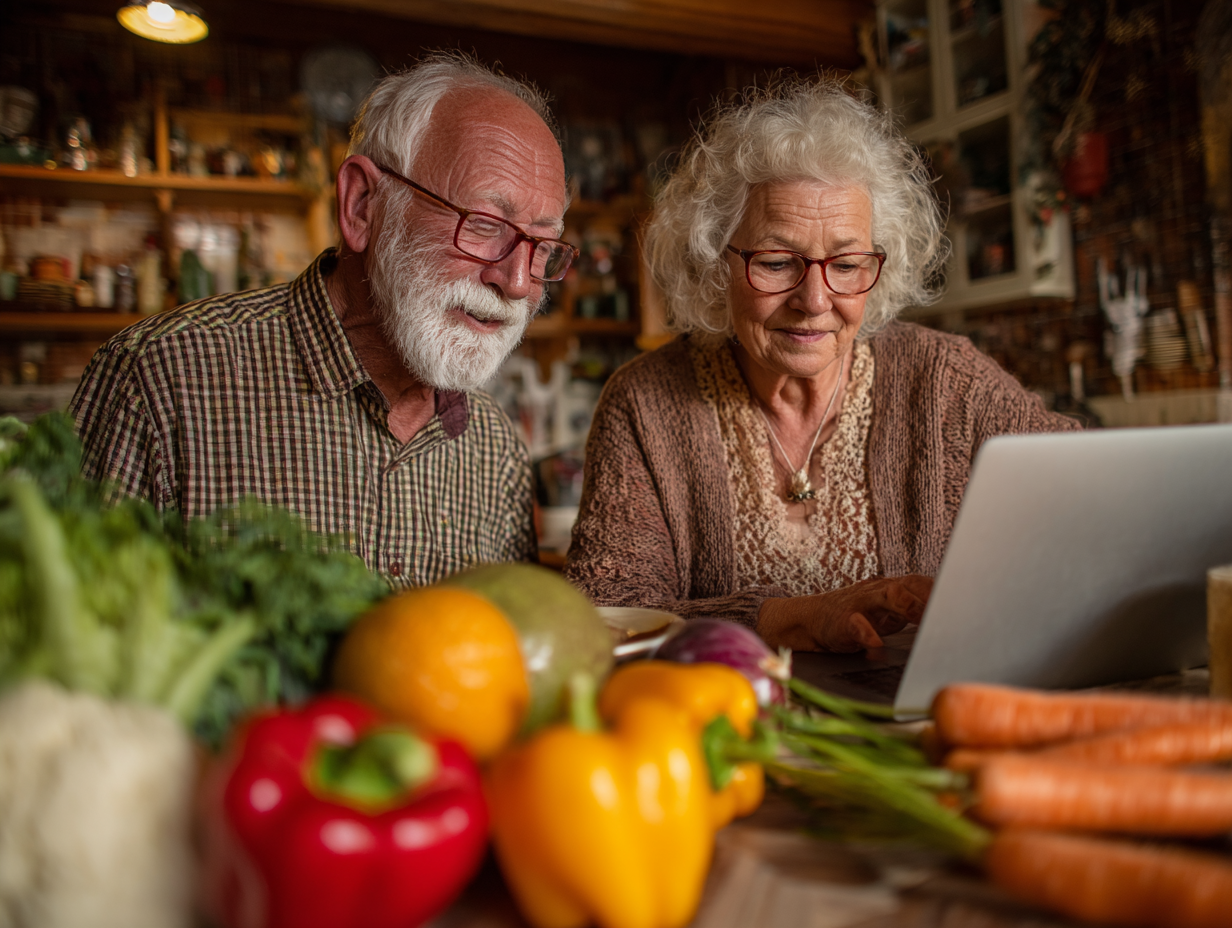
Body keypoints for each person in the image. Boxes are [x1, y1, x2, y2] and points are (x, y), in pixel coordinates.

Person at [564, 78, 1080, 651]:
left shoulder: (946, 381)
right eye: (777, 262)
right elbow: (605, 620)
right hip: (726, 705)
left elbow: (1097, 497)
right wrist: (792, 618)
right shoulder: (645, 404)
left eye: (848, 263)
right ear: (715, 264)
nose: (814, 299)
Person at [70, 52, 577, 586]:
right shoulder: (160, 380)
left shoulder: (494, 446)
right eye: (484, 224)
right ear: (361, 205)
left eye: (542, 246)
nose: (516, 282)